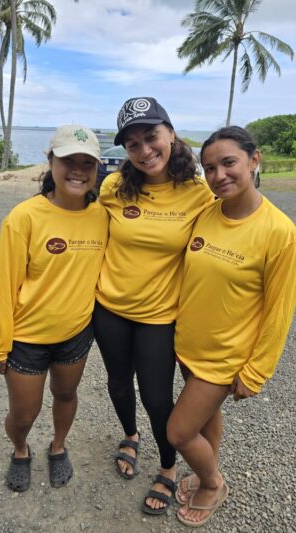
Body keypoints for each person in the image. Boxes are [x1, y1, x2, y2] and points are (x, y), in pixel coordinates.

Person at [166, 126, 296, 527]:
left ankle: (213, 483)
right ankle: (206, 469)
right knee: (205, 419)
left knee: (178, 431)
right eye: (209, 168)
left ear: (254, 160)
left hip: (225, 357)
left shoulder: (281, 234)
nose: (218, 175)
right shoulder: (207, 213)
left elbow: (280, 312)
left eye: (229, 163)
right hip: (188, 345)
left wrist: (256, 371)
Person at [93, 97, 213, 514]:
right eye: (132, 145)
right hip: (108, 307)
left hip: (160, 316)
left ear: (170, 133)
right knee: (118, 383)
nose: (144, 151)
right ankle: (130, 435)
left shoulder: (199, 193)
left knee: (158, 398)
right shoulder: (113, 186)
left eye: (151, 137)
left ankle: (166, 466)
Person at [0, 125, 108, 492]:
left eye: (88, 163)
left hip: (75, 334)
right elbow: (4, 286)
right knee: (23, 415)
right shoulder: (24, 217)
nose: (79, 170)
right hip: (27, 338)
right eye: (69, 160)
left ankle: (57, 446)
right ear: (50, 161)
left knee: (66, 396)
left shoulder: (102, 215)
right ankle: (20, 449)